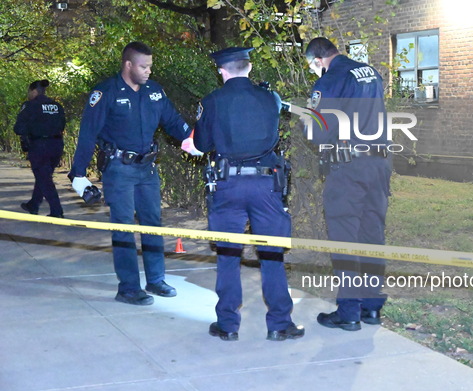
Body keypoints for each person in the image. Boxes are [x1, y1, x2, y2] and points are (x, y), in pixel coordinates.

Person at [69, 41, 197, 305]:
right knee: (123, 228)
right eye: (144, 66)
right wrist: (78, 175)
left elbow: (174, 121)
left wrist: (194, 140)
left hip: (147, 168)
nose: (149, 71)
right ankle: (128, 287)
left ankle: (155, 279)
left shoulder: (154, 91)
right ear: (128, 65)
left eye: (150, 66)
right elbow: (88, 134)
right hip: (119, 170)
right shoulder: (106, 92)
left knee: (153, 223)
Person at [194, 47, 304, 341]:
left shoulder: (212, 101)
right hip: (266, 184)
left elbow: (203, 144)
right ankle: (280, 324)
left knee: (229, 255)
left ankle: (228, 325)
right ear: (249, 67)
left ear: (222, 70)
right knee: (272, 255)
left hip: (228, 185)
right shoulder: (271, 98)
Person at [302, 37, 392, 331]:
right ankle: (372, 307)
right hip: (378, 164)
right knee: (372, 235)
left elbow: (317, 131)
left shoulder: (331, 79)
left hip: (348, 167)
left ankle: (349, 311)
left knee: (344, 237)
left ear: (318, 59)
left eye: (312, 65)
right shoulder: (370, 72)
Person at [14, 80, 66, 218]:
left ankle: (57, 211)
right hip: (56, 145)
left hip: (39, 146)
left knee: (44, 178)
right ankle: (34, 204)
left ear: (34, 91)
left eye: (29, 92)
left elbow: (18, 128)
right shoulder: (57, 106)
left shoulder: (30, 106)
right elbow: (62, 125)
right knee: (43, 176)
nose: (28, 94)